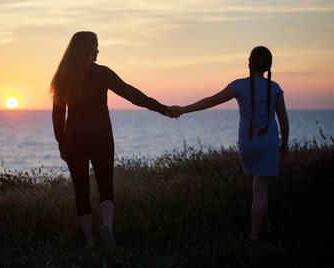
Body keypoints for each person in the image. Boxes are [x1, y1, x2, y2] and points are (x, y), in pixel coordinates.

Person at [49, 31, 172, 249]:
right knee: (105, 187)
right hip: (101, 137)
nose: (98, 50)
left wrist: (62, 143)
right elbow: (132, 94)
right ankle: (108, 226)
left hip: (74, 139)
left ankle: (89, 240)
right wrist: (162, 109)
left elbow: (58, 115)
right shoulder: (102, 73)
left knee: (81, 190)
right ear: (87, 49)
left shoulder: (63, 76)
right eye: (96, 46)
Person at [168, 46, 289, 241]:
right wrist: (285, 145)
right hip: (268, 143)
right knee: (261, 189)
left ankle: (266, 225)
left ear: (249, 63)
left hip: (247, 143)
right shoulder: (274, 88)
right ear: (268, 66)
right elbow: (283, 120)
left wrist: (183, 109)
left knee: (258, 186)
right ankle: (254, 237)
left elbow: (211, 101)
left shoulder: (239, 85)